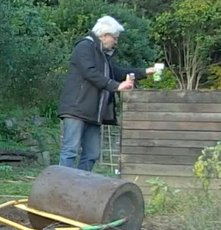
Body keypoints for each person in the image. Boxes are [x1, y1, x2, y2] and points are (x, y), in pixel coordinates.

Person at [57, 15, 159, 172]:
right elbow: (90, 73)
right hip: (76, 109)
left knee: (92, 154)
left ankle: (80, 186)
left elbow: (115, 71)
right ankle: (61, 186)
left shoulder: (102, 55)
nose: (116, 42)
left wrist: (145, 72)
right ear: (104, 35)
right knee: (70, 151)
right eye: (115, 38)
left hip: (93, 112)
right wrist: (116, 86)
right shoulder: (84, 47)